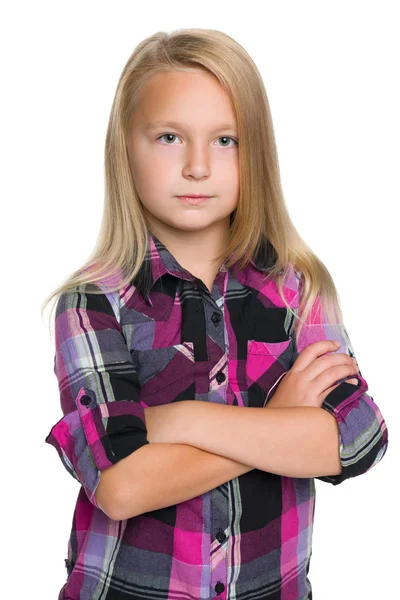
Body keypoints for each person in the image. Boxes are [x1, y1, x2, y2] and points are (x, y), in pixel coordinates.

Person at [42, 28, 389, 600]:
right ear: (125, 148)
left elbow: (355, 440)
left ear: (256, 151)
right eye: (170, 137)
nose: (198, 166)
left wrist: (177, 422)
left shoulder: (298, 289)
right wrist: (277, 423)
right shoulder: (94, 302)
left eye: (225, 139)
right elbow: (121, 483)